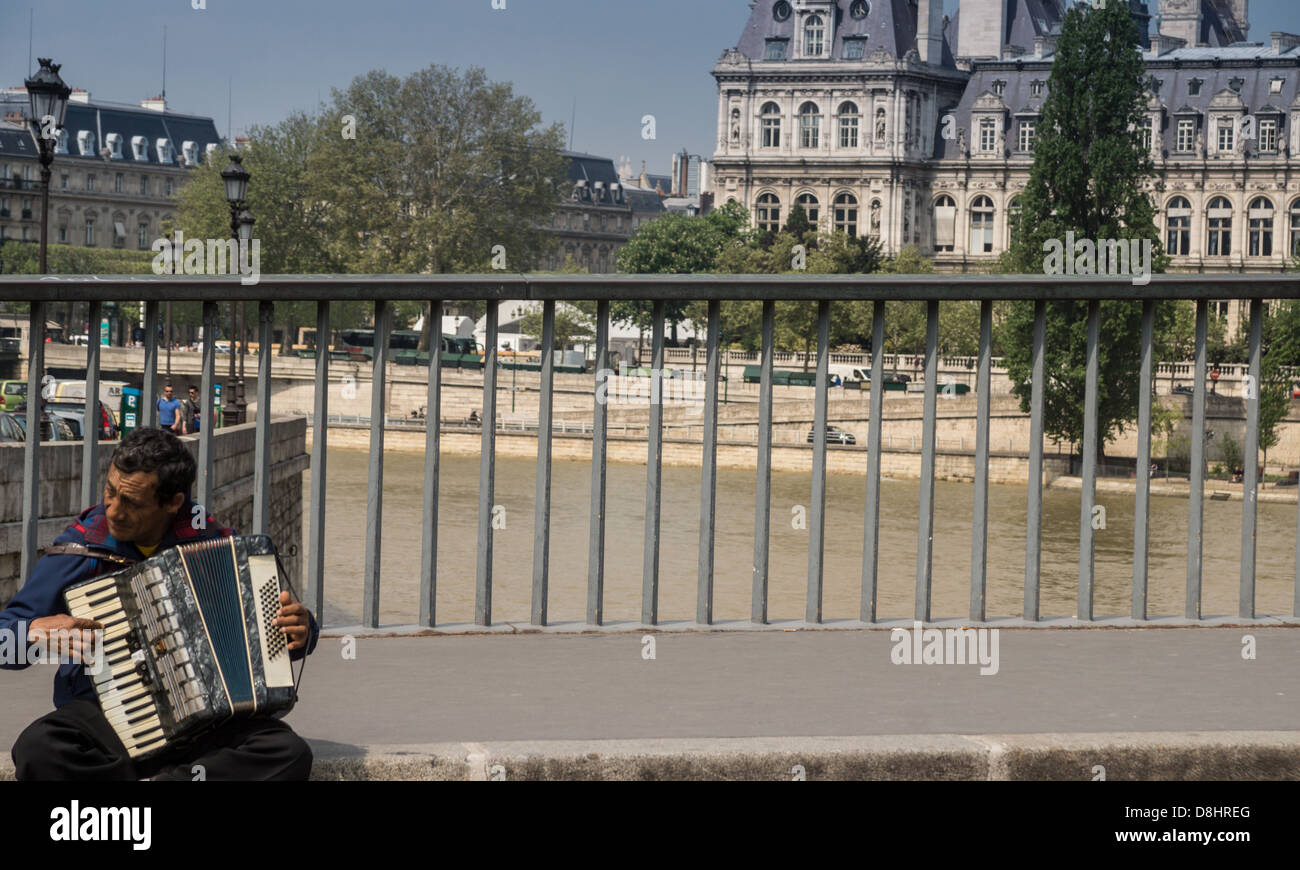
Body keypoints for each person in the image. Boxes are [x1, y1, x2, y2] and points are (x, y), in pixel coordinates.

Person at [2, 428, 318, 780]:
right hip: (108, 718)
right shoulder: (81, 550)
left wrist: (304, 630)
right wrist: (30, 632)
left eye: (132, 502)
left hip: (210, 722)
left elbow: (273, 639)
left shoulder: (215, 543)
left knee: (288, 754)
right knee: (39, 747)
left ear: (172, 503)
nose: (114, 511)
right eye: (110, 492)